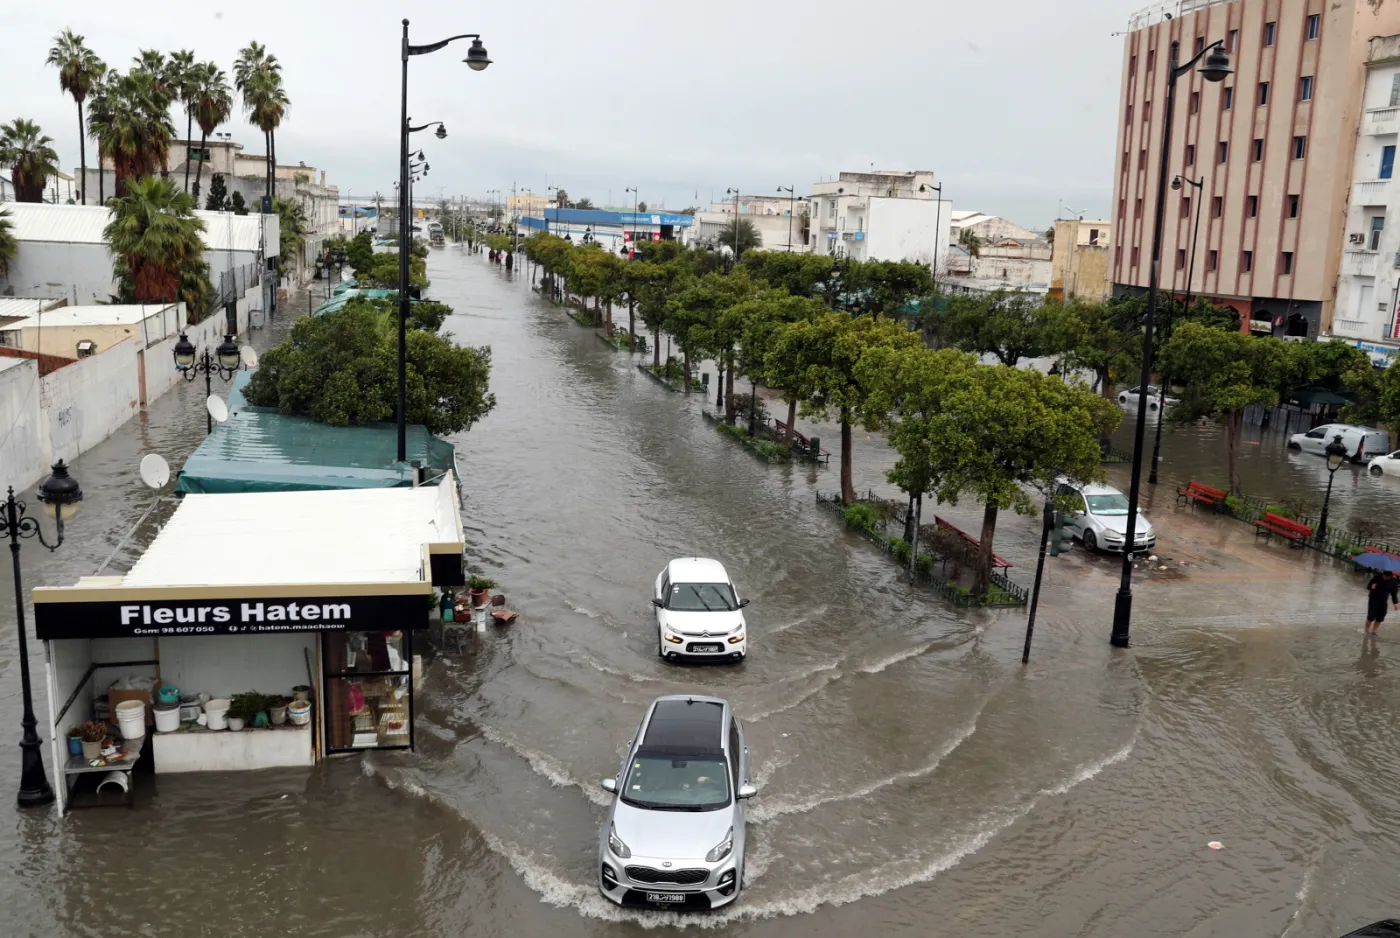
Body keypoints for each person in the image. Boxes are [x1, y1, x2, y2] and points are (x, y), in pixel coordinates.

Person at [1365, 570, 1400, 634]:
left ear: (1390, 576)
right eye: (1384, 576)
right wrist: (1371, 587)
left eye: (1387, 577)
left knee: (1380, 617)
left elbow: (1394, 594)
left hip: (1383, 601)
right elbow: (1368, 587)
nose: (1385, 578)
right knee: (1371, 616)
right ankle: (1366, 630)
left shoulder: (1393, 582)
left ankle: (1374, 632)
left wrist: (1395, 603)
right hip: (1373, 599)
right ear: (1383, 574)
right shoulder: (1376, 578)